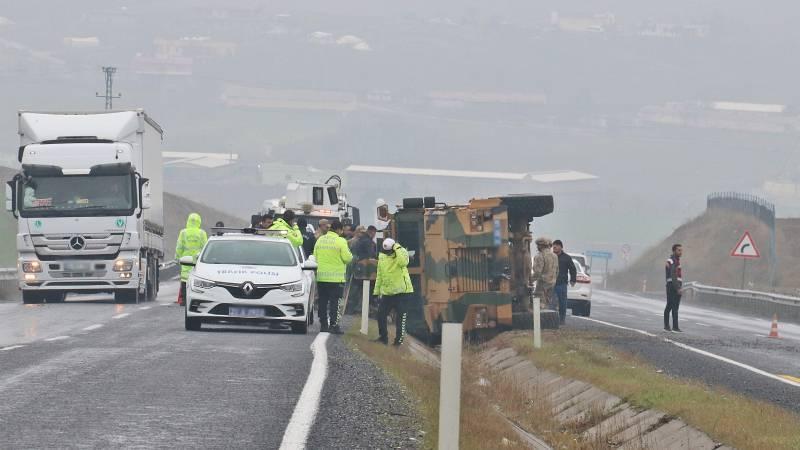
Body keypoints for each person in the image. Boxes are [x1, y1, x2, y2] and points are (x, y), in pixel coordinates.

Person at [313, 219, 353, 333]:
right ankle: (334, 326)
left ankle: (323, 325)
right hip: (336, 279)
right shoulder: (341, 241)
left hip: (321, 277)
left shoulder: (320, 240)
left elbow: (314, 256)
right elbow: (347, 258)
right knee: (335, 303)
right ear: (339, 229)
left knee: (322, 302)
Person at [373, 238, 414, 346]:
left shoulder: (401, 253)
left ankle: (398, 342)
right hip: (388, 293)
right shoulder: (382, 256)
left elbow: (403, 262)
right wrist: (376, 292)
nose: (387, 253)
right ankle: (383, 338)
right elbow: (379, 275)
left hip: (403, 292)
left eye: (389, 251)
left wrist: (397, 247)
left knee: (401, 318)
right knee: (380, 315)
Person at [176, 213, 208, 306]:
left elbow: (179, 246)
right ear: (199, 222)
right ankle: (197, 299)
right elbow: (205, 247)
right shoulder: (202, 233)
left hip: (186, 260)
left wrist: (177, 257)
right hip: (197, 261)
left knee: (185, 280)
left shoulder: (183, 232)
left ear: (188, 221)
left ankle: (184, 300)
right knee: (198, 281)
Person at [552, 240, 577, 325]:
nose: (554, 247)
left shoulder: (566, 258)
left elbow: (573, 269)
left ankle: (562, 319)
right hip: (551, 283)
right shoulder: (550, 257)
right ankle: (552, 320)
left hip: (561, 284)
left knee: (562, 302)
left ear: (561, 247)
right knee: (551, 303)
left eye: (557, 245)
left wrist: (573, 280)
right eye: (554, 245)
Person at [532, 237, 558, 309]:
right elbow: (557, 271)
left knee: (539, 304)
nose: (537, 247)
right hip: (552, 283)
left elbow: (537, 272)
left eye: (538, 245)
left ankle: (538, 319)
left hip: (542, 284)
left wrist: (530, 280)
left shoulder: (540, 256)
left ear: (541, 246)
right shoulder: (555, 256)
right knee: (547, 303)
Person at [665, 244, 684, 333]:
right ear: (674, 251)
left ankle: (670, 326)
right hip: (672, 286)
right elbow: (673, 275)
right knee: (672, 306)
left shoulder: (675, 261)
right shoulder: (672, 261)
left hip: (672, 285)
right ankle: (672, 327)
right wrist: (678, 288)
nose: (681, 252)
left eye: (681, 250)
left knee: (672, 306)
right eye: (679, 250)